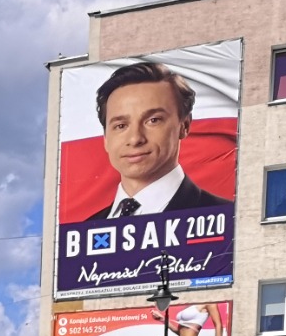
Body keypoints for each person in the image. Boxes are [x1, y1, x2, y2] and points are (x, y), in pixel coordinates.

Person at [83, 61, 232, 222]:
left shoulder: (227, 218)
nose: (135, 139)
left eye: (153, 120)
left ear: (184, 126)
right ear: (105, 138)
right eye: (121, 125)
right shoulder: (83, 234)